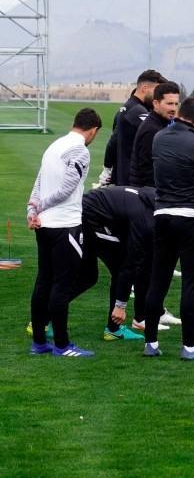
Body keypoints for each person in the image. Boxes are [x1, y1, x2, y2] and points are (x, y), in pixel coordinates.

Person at [142, 97, 194, 361]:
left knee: (158, 280)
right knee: (191, 284)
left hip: (162, 214)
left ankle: (151, 343)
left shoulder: (160, 138)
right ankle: (189, 348)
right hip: (190, 216)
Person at [27, 108, 103, 357]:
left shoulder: (54, 145)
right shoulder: (81, 150)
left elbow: (39, 180)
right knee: (62, 284)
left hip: (44, 225)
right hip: (65, 226)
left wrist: (33, 209)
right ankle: (62, 345)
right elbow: (67, 190)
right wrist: (39, 206)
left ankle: (39, 342)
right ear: (93, 130)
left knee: (43, 282)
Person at [82, 185, 157, 342]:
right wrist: (120, 305)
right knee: (103, 272)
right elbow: (130, 264)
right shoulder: (146, 220)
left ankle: (113, 328)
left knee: (88, 276)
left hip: (93, 210)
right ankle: (113, 328)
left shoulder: (152, 198)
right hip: (89, 216)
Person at [110, 69, 166, 186]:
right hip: (132, 180)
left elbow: (112, 143)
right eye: (156, 90)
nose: (158, 96)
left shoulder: (124, 108)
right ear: (145, 88)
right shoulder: (138, 111)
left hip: (123, 178)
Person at [129, 81, 180, 188]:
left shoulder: (161, 125)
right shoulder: (152, 130)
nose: (173, 109)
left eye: (176, 104)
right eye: (169, 103)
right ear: (156, 104)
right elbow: (148, 170)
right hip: (147, 196)